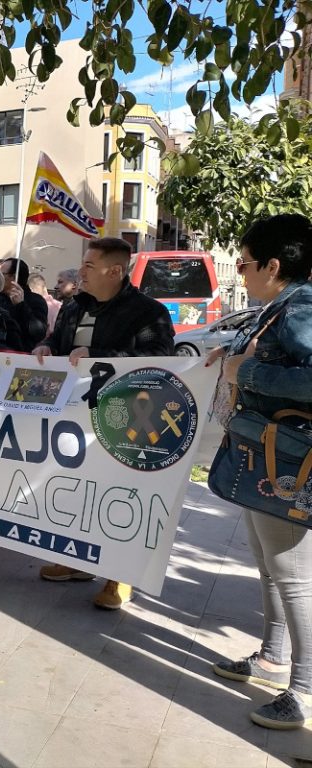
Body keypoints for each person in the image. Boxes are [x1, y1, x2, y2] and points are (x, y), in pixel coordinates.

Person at [206, 214, 312, 730]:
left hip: (288, 460)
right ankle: (272, 658)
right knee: (268, 564)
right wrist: (229, 357)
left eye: (245, 263)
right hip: (263, 455)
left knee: (295, 577)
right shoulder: (281, 307)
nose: (241, 273)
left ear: (274, 265)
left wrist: (242, 370)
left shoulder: (304, 306)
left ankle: (305, 691)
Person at [33, 237, 174, 610]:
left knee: (117, 496)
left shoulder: (149, 312)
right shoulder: (72, 305)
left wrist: (98, 356)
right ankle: (76, 561)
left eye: (90, 266)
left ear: (116, 271)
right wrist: (46, 346)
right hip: (71, 416)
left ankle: (118, 577)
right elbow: (57, 339)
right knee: (75, 489)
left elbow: (159, 359)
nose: (81, 272)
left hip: (123, 419)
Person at [0, 257, 49, 351]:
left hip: (22, 356)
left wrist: (21, 306)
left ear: (14, 277)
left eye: (1, 274)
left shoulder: (36, 300)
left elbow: (38, 332)